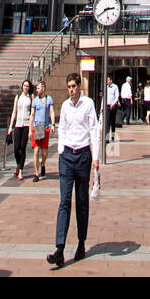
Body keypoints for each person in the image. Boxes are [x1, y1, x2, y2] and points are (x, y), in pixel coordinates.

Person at [47, 73, 100, 268]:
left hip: (84, 156)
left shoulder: (88, 104)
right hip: (67, 156)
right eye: (68, 86)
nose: (70, 90)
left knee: (82, 201)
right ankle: (59, 249)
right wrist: (61, 150)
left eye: (73, 86)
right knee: (64, 201)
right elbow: (62, 129)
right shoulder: (66, 106)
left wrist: (95, 158)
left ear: (79, 86)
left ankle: (81, 243)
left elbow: (94, 129)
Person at [7, 79, 33, 181]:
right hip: (18, 125)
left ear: (29, 88)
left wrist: (31, 129)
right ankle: (18, 164)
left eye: (27, 86)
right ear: (22, 86)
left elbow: (32, 114)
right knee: (16, 148)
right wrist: (10, 127)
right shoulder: (17, 97)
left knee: (23, 147)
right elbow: (14, 112)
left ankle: (21, 170)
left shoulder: (31, 97)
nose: (26, 87)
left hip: (26, 125)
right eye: (24, 85)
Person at [31, 79, 55, 181]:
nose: (37, 89)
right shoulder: (35, 100)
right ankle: (36, 173)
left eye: (39, 87)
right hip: (37, 127)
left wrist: (53, 124)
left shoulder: (48, 99)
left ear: (43, 88)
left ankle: (43, 163)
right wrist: (30, 129)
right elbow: (32, 115)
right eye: (36, 88)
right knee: (36, 150)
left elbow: (52, 112)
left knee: (44, 152)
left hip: (45, 127)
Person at [105, 76, 119, 143]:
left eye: (108, 80)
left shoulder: (115, 87)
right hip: (107, 106)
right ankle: (107, 138)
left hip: (113, 106)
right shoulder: (106, 87)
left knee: (113, 122)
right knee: (107, 122)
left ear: (111, 80)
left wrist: (113, 104)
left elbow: (116, 96)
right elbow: (103, 97)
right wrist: (102, 107)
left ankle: (113, 137)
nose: (107, 81)